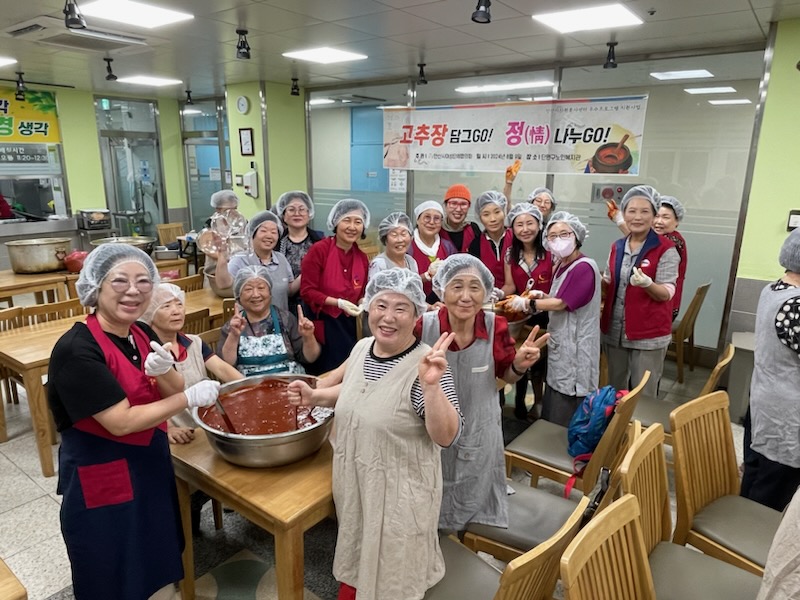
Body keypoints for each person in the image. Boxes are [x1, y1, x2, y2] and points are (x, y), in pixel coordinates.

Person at [47, 243, 220, 600]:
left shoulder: (141, 333)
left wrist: (165, 369)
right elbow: (121, 422)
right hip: (104, 475)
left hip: (149, 466)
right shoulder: (77, 350)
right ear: (96, 286)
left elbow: (172, 386)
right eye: (120, 281)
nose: (133, 290)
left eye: (143, 281)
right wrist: (188, 398)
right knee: (113, 569)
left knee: (156, 557)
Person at [287, 269, 463, 600]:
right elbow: (357, 391)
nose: (388, 317)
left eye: (401, 308)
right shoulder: (363, 347)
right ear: (369, 306)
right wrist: (315, 396)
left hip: (399, 499)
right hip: (357, 484)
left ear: (417, 315)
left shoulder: (426, 366)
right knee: (359, 559)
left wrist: (431, 388)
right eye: (381, 305)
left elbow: (447, 436)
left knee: (393, 577)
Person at [415, 254, 549, 531]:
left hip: (479, 430)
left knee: (474, 499)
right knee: (428, 502)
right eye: (457, 286)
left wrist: (519, 365)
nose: (466, 297)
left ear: (486, 292)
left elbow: (506, 375)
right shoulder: (423, 327)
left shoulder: (494, 325)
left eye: (474, 287)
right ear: (442, 290)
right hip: (431, 431)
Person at [508, 212, 601, 426]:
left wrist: (528, 304)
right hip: (562, 342)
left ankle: (562, 441)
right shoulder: (561, 264)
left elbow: (562, 303)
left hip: (576, 347)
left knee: (569, 401)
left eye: (564, 234)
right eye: (552, 236)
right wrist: (542, 296)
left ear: (577, 236)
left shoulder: (584, 266)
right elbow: (559, 296)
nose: (558, 240)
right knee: (556, 390)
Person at [741, 228, 800, 512]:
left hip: (763, 401)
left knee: (755, 476)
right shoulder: (796, 305)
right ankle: (747, 536)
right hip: (786, 417)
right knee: (771, 493)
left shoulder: (774, 289)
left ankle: (737, 527)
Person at [601, 185, 678, 400]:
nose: (637, 217)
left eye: (644, 211)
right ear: (623, 214)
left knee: (643, 396)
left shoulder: (665, 249)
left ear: (653, 215)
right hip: (615, 331)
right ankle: (614, 423)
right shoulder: (617, 246)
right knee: (614, 391)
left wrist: (647, 284)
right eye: (632, 211)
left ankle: (639, 425)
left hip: (648, 334)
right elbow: (608, 282)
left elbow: (667, 292)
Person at [140, 282, 243, 441]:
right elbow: (143, 398)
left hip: (206, 424)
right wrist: (168, 428)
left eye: (179, 304)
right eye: (166, 306)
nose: (176, 311)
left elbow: (223, 370)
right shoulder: (145, 354)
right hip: (175, 434)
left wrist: (252, 387)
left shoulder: (194, 342)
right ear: (149, 314)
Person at [300, 198, 370, 374]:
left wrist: (362, 301)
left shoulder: (362, 257)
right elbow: (307, 291)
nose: (352, 227)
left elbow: (362, 291)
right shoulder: (319, 250)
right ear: (336, 222)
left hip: (349, 325)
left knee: (349, 370)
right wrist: (337, 302)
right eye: (347, 220)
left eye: (358, 222)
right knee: (326, 372)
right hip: (323, 323)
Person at [219, 265, 321, 376]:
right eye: (248, 289)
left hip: (289, 383)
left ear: (270, 293)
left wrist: (308, 337)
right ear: (238, 297)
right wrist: (233, 336)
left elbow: (311, 358)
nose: (256, 295)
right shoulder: (233, 326)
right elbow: (225, 366)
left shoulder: (285, 319)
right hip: (250, 385)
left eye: (261, 288)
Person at [501, 203, 553, 421]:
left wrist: (540, 299)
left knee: (541, 363)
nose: (525, 229)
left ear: (539, 225)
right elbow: (510, 285)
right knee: (521, 355)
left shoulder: (551, 252)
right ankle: (520, 401)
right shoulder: (510, 253)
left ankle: (539, 403)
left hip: (547, 313)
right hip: (521, 314)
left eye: (529, 223)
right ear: (512, 228)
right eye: (519, 224)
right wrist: (498, 293)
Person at [607, 194, 688, 320]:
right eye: (656, 216)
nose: (659, 222)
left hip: (661, 308)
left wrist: (619, 219)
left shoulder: (673, 241)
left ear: (677, 221)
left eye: (665, 217)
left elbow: (644, 242)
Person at [214, 210, 296, 312]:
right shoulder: (240, 259)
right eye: (263, 231)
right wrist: (222, 256)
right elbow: (223, 284)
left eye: (274, 232)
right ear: (252, 234)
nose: (269, 235)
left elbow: (289, 290)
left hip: (281, 320)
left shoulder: (281, 258)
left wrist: (308, 270)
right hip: (250, 320)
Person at [274, 190, 325, 313]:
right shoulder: (276, 242)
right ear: (283, 215)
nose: (297, 214)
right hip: (283, 305)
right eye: (291, 210)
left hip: (315, 304)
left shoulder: (320, 241)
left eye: (302, 209)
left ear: (309, 213)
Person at [410, 200, 457, 304]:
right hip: (413, 304)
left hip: (443, 305)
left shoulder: (448, 247)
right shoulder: (408, 247)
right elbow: (403, 283)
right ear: (417, 220)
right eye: (427, 217)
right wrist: (427, 276)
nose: (431, 222)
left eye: (436, 218)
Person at [468, 191, 513, 290]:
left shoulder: (516, 238)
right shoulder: (476, 245)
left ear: (504, 212)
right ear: (480, 217)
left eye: (497, 212)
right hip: (488, 296)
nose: (493, 219)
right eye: (486, 214)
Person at [368, 211, 416, 279]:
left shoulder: (411, 261)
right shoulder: (380, 264)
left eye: (403, 234)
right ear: (385, 239)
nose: (400, 240)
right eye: (394, 235)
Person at [438, 184, 481, 253]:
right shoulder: (437, 229)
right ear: (445, 205)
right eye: (453, 203)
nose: (458, 209)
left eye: (463, 204)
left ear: (469, 206)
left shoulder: (473, 229)